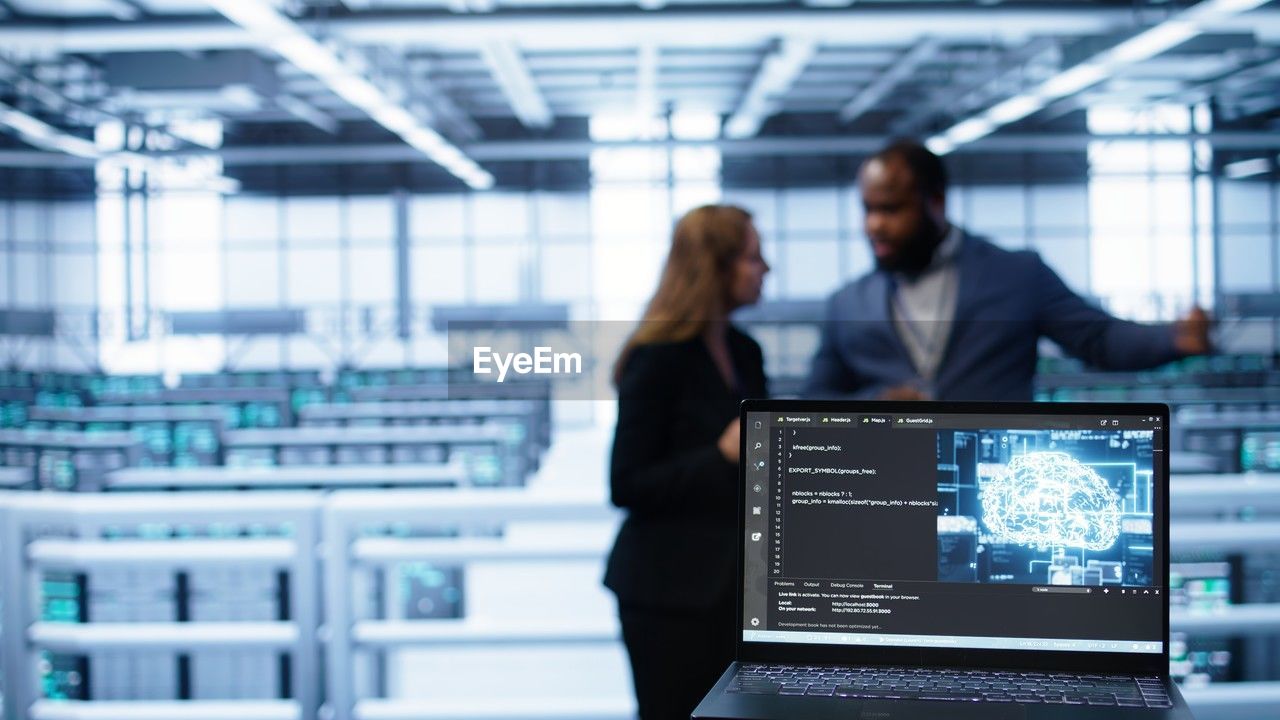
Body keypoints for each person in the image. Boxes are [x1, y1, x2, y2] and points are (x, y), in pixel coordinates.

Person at [805, 139, 1211, 401]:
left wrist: (1172, 339)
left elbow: (1098, 338)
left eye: (890, 209)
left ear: (936, 202)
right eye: (868, 209)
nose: (873, 225)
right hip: (885, 490)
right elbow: (817, 396)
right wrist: (873, 405)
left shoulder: (1017, 275)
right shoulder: (846, 303)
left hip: (992, 476)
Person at [604, 204, 770, 720]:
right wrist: (719, 457)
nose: (765, 269)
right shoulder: (658, 357)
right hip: (667, 594)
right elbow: (627, 482)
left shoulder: (744, 351)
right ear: (716, 267)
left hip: (733, 593)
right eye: (753, 258)